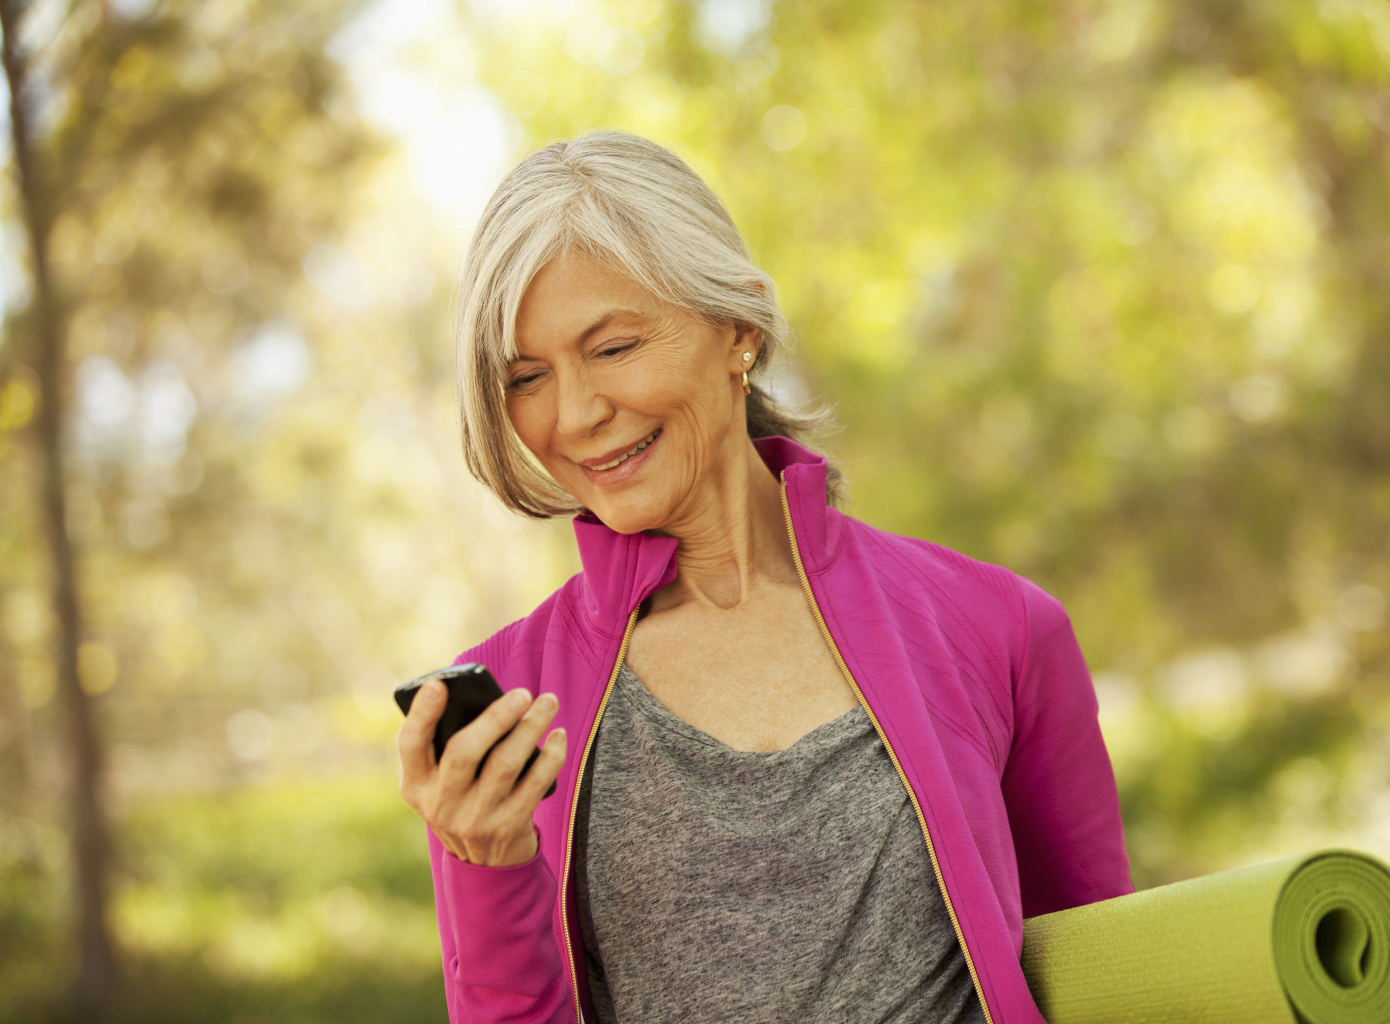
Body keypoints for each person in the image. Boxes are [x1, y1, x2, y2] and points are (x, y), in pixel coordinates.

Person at [396, 129, 1133, 1024]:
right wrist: (486, 869)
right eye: (526, 376)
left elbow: (1104, 972)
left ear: (739, 326)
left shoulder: (998, 626)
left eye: (615, 347)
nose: (577, 414)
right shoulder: (506, 711)